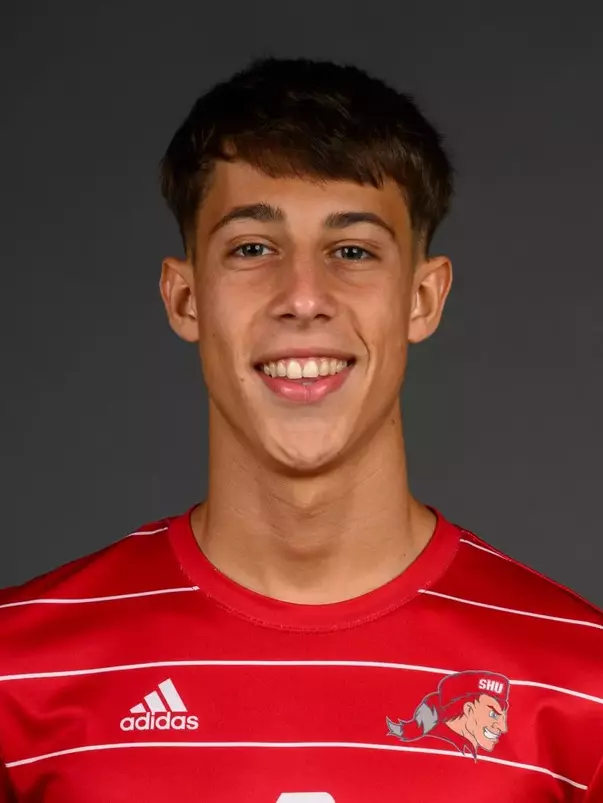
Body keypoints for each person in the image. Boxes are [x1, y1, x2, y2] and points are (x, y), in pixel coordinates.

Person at [0, 56, 601, 803]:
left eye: (351, 251)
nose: (303, 297)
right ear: (185, 298)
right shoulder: (17, 670)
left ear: (421, 297)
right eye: (253, 248)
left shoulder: (583, 683)